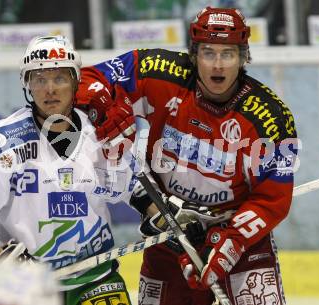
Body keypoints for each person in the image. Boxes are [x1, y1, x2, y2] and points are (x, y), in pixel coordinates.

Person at [76, 6, 298, 305]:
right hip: (169, 229)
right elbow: (88, 78)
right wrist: (99, 102)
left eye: (228, 53)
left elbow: (273, 199)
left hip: (239, 238)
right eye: (208, 52)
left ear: (243, 57)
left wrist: (230, 242)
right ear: (193, 55)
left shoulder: (270, 116)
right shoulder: (159, 71)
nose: (217, 65)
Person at [0, 35, 137, 305]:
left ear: (76, 82)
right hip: (19, 287)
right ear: (27, 84)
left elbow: (135, 186)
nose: (50, 89)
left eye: (60, 78)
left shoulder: (101, 132)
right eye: (39, 79)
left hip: (94, 277)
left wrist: (161, 214)